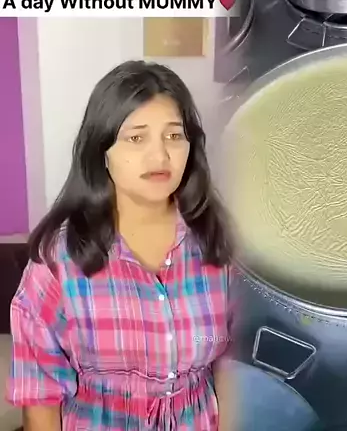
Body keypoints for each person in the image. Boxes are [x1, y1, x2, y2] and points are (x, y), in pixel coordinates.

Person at [5, 61, 234, 430]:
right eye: (136, 138)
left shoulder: (220, 245)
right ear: (102, 150)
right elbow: (40, 400)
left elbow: (233, 369)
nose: (160, 156)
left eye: (174, 136)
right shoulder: (57, 261)